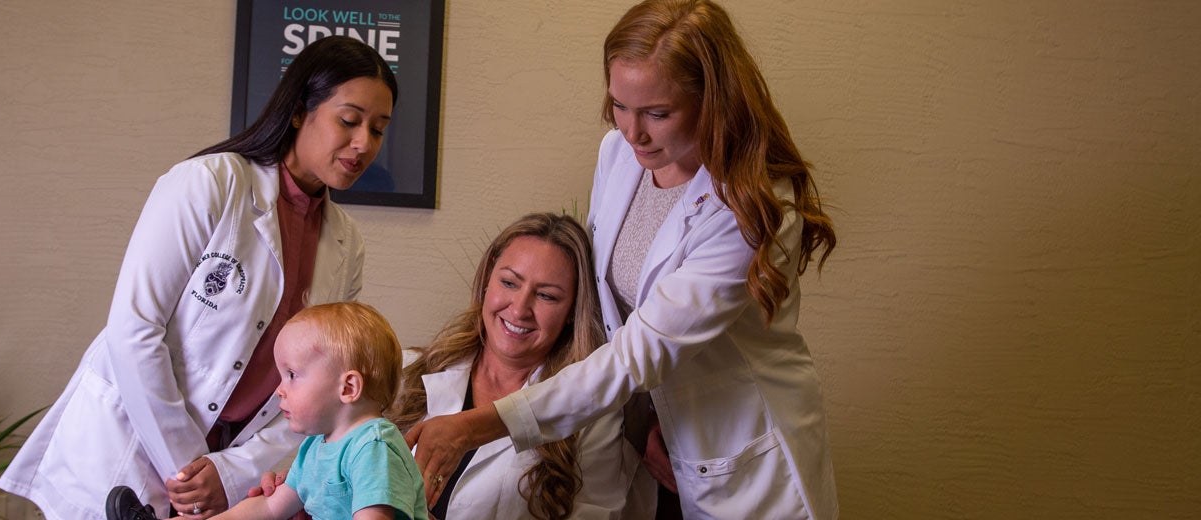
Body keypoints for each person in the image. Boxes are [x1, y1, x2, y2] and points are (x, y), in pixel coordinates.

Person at [405, 1, 839, 518]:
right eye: (619, 105)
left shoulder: (748, 206)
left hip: (739, 447)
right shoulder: (618, 155)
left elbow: (643, 351)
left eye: (657, 113)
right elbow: (607, 306)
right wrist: (644, 419)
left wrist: (480, 424)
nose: (634, 133)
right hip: (651, 429)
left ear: (714, 101)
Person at [0, 35, 398, 520]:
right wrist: (193, 467)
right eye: (349, 120)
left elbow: (324, 387)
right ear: (298, 111)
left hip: (234, 470)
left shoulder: (346, 244)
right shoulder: (209, 184)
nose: (364, 144)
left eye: (378, 130)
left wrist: (231, 472)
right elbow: (134, 330)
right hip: (134, 445)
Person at [388, 213, 638, 520]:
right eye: (509, 282)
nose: (519, 310)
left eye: (546, 295)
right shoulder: (404, 374)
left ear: (573, 310)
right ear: (488, 278)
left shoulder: (593, 415)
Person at [106, 302, 428, 520]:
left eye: (292, 375)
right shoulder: (317, 448)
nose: (279, 390)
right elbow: (271, 507)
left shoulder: (373, 449)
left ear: (347, 388)